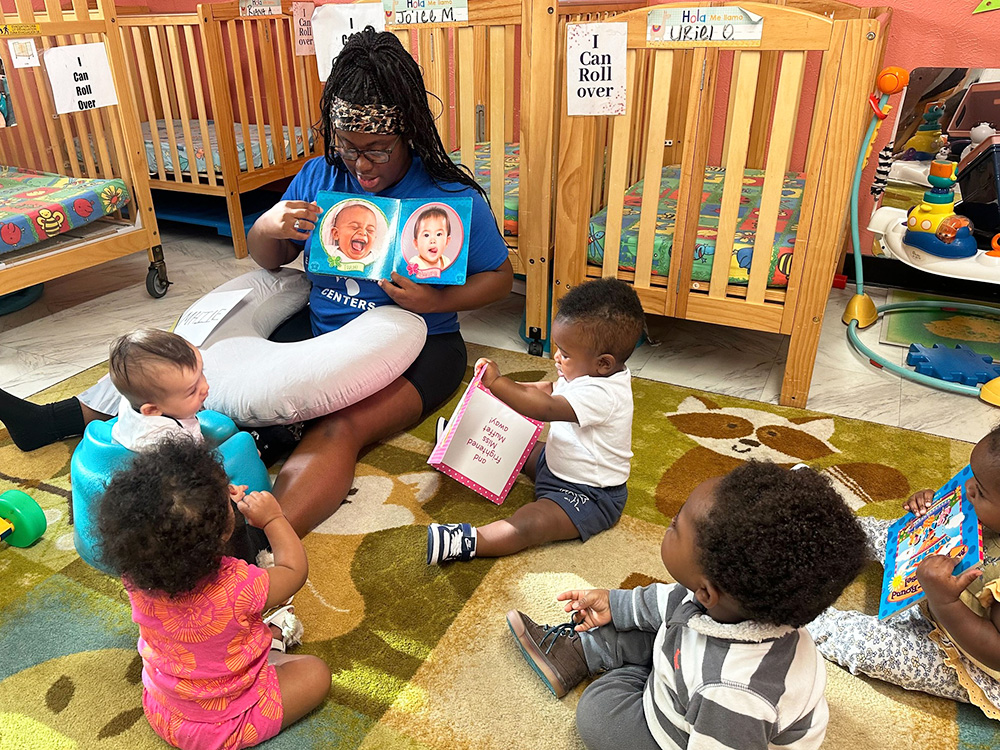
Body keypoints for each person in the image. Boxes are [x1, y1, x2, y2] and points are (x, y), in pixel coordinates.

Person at [0, 27, 512, 537]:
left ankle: (260, 542)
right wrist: (268, 225)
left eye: (378, 150)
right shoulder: (320, 175)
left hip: (425, 343)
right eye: (348, 147)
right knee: (198, 371)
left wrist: (436, 299)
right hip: (321, 323)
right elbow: (269, 259)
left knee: (340, 425)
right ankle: (56, 419)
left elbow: (499, 279)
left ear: (411, 134)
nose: (361, 166)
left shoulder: (449, 194)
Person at [506, 461, 867, 750]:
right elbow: (665, 600)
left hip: (704, 730)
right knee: (646, 621)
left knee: (598, 713)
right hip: (700, 677)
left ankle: (615, 667)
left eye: (676, 524)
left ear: (707, 593)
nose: (669, 521)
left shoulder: (735, 697)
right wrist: (613, 602)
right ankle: (577, 655)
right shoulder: (731, 600)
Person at [98, 438, 330, 750]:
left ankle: (262, 649)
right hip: (222, 728)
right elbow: (293, 571)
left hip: (165, 711)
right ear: (224, 533)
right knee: (316, 673)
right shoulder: (239, 585)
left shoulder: (136, 578)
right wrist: (274, 519)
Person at [426, 278, 643, 564]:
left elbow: (547, 407)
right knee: (515, 439)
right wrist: (509, 389)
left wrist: (500, 384)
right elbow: (550, 390)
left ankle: (469, 540)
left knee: (532, 522)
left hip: (588, 495)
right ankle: (460, 441)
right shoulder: (589, 373)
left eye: (565, 354)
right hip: (555, 462)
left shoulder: (605, 394)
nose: (556, 357)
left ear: (603, 363)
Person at [807, 425, 1000, 719]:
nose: (968, 487)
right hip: (939, 589)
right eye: (971, 473)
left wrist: (943, 601)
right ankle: (815, 511)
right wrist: (933, 510)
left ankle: (801, 620)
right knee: (893, 535)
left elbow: (995, 652)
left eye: (981, 491)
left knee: (870, 648)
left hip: (973, 658)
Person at [107, 328, 209, 452]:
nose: (205, 387)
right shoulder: (170, 441)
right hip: (162, 465)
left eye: (201, 374)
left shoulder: (138, 396)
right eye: (192, 391)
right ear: (153, 409)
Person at [325, 201, 380, 266]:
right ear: (336, 234)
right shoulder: (329, 251)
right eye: (354, 227)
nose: (363, 232)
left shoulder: (377, 256)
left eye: (370, 230)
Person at [411, 206, 452, 271]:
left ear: (447, 241)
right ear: (416, 243)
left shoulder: (446, 262)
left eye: (438, 234)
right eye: (426, 235)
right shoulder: (414, 264)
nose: (433, 240)